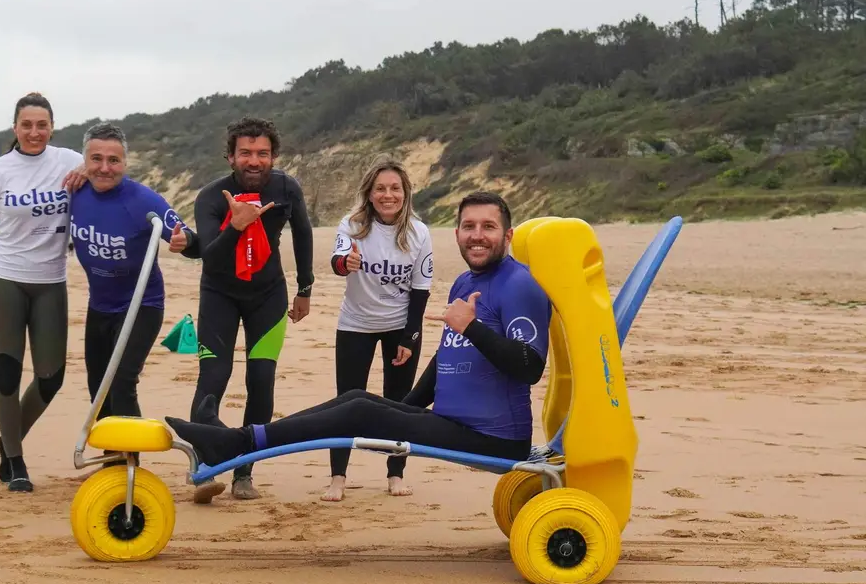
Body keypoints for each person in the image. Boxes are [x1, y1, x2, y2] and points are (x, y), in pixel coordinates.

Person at [164, 192, 552, 481]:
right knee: (358, 399)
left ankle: (239, 444)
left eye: (488, 227)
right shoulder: (467, 281)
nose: (477, 236)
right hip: (454, 422)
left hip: (493, 439)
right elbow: (446, 359)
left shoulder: (519, 286)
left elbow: (529, 367)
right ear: (457, 233)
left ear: (509, 233)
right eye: (469, 226)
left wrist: (471, 327)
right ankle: (243, 438)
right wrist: (406, 410)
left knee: (361, 413)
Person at [188, 116, 315, 503]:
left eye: (262, 153)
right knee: (214, 377)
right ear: (231, 157)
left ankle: (244, 471)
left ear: (274, 156)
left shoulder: (285, 188)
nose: (254, 161)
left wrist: (304, 288)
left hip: (268, 296)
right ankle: (204, 464)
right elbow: (209, 258)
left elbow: (304, 232)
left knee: (261, 381)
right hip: (219, 296)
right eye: (246, 153)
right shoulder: (211, 198)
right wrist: (236, 227)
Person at [0, 91, 83, 493]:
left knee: (51, 378)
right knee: (7, 371)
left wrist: (88, 176)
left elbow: (107, 179)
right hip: (5, 278)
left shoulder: (71, 161)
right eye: (27, 125)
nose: (35, 132)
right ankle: (15, 461)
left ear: (52, 127)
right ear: (15, 128)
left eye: (42, 125)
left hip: (51, 280)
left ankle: (8, 437)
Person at [69, 122, 201, 462]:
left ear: (125, 162)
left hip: (141, 306)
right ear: (84, 161)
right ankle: (114, 456)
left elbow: (189, 238)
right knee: (98, 387)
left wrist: (185, 240)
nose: (104, 168)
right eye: (95, 159)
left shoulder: (143, 200)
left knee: (123, 380)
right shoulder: (75, 192)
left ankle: (131, 461)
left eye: (113, 160)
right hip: (99, 307)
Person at [323, 156, 433, 501]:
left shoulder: (419, 232)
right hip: (355, 324)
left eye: (395, 188)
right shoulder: (352, 225)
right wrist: (347, 263)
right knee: (346, 402)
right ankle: (338, 477)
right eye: (380, 188)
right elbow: (338, 261)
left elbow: (421, 290)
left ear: (405, 193)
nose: (388, 195)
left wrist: (410, 337)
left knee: (398, 405)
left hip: (399, 327)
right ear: (369, 194)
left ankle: (395, 474)